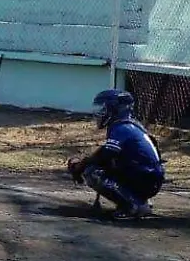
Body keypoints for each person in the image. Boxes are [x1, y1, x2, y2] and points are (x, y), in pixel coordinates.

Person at [67, 90, 165, 221]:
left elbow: (106, 155)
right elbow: (105, 152)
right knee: (101, 166)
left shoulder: (122, 128)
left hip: (146, 177)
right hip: (148, 175)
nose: (101, 112)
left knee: (93, 172)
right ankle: (138, 201)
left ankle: (133, 205)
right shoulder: (130, 125)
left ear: (115, 108)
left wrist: (82, 165)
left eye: (104, 107)